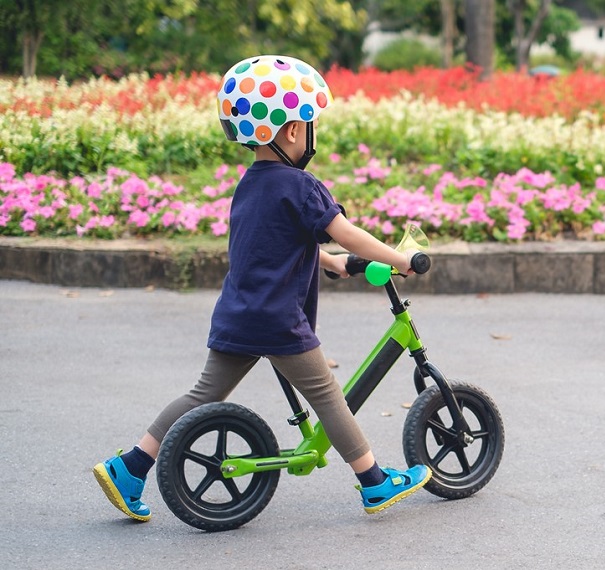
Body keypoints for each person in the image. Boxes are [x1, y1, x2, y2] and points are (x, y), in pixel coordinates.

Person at [93, 55, 431, 522]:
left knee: (202, 395)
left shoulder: (250, 185)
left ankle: (130, 466)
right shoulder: (302, 186)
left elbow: (273, 246)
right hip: (278, 320)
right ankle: (374, 482)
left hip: (238, 313)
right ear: (292, 131)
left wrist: (332, 265)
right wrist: (400, 257)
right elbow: (344, 230)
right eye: (310, 123)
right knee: (329, 396)